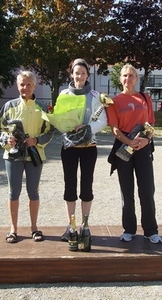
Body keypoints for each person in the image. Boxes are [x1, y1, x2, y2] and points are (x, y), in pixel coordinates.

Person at [0, 71, 54, 243]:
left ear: (34, 86)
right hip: (13, 156)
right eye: (22, 84)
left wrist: (36, 140)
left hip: (34, 155)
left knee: (33, 192)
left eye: (29, 84)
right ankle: (13, 229)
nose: (25, 88)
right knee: (14, 193)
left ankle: (34, 228)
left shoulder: (43, 108)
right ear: (17, 85)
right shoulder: (9, 106)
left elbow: (50, 131)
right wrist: (7, 140)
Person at [106, 64, 162, 244]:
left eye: (131, 76)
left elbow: (151, 125)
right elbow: (115, 129)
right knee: (127, 191)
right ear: (120, 78)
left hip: (143, 147)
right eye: (124, 76)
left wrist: (147, 140)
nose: (127, 79)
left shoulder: (145, 99)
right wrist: (129, 142)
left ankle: (151, 230)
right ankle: (129, 229)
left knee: (147, 190)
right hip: (123, 148)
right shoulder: (114, 101)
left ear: (136, 79)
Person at [57, 58, 108, 241]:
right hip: (69, 146)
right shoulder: (64, 94)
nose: (80, 76)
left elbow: (103, 120)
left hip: (89, 147)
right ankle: (71, 226)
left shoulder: (95, 96)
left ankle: (85, 226)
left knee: (87, 187)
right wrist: (66, 125)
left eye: (83, 73)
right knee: (69, 186)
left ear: (88, 75)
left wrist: (87, 128)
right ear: (71, 73)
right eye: (76, 73)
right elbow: (59, 119)